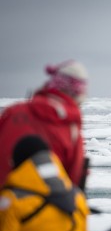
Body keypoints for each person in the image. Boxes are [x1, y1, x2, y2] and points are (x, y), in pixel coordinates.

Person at [0, 60, 89, 188]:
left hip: (5, 201)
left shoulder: (12, 113)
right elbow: (74, 179)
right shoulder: (70, 127)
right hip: (46, 204)